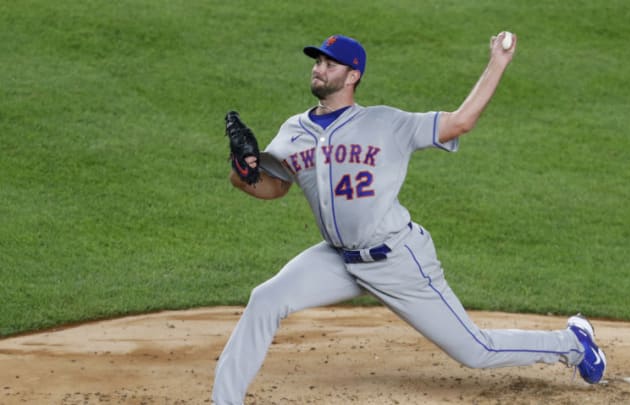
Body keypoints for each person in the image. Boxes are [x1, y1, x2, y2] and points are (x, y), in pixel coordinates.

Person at [212, 33, 606, 404]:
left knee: (475, 350)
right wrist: (241, 173)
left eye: (330, 64)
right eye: (317, 61)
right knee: (265, 299)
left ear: (353, 76)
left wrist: (497, 62)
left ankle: (573, 343)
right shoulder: (294, 130)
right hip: (336, 259)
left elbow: (459, 122)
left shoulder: (387, 123)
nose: (319, 68)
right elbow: (274, 186)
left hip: (397, 258)